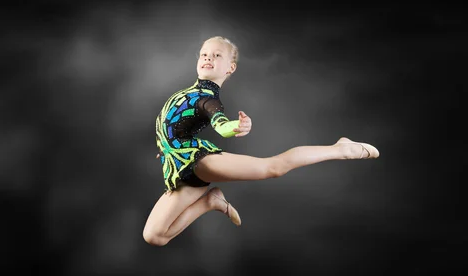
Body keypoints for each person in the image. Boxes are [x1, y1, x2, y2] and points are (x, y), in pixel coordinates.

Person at [143, 36, 380, 246]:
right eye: (204, 54)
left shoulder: (208, 100)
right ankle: (211, 203)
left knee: (272, 167)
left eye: (217, 55)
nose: (208, 58)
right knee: (154, 236)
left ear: (230, 68)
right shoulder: (188, 92)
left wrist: (236, 126)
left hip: (194, 162)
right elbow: (172, 127)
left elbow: (221, 125)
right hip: (177, 167)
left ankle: (340, 149)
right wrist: (165, 146)